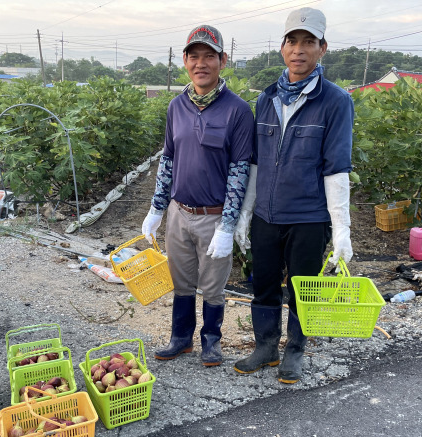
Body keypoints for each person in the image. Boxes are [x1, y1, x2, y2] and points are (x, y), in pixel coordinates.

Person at [233, 7, 354, 383]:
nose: (299, 50)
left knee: (303, 288)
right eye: (292, 41)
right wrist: (244, 213)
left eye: (308, 42)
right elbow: (254, 163)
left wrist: (342, 230)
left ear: (322, 48)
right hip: (267, 216)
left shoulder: (335, 101)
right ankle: (266, 346)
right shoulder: (267, 99)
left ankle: (295, 351)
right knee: (264, 282)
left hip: (308, 217)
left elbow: (336, 168)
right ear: (282, 48)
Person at [141, 25, 254, 367]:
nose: (201, 63)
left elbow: (240, 169)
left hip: (214, 215)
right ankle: (180, 339)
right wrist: (157, 208)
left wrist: (228, 225)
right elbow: (169, 158)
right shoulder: (177, 106)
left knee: (214, 285)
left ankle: (211, 341)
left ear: (223, 60)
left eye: (209, 56)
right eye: (194, 56)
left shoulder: (237, 110)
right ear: (185, 62)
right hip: (179, 212)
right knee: (182, 281)